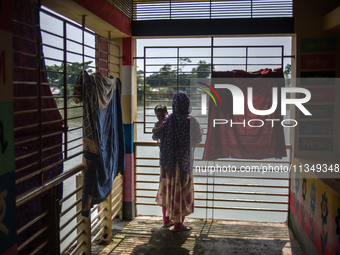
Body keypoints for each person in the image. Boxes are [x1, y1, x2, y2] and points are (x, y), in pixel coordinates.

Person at [156, 92, 203, 231]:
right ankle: (178, 224)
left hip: (167, 163)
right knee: (181, 192)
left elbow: (157, 135)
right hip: (184, 163)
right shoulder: (191, 121)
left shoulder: (167, 119)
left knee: (167, 190)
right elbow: (199, 138)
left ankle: (166, 221)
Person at [152, 104, 168, 178]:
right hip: (163, 150)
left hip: (168, 150)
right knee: (163, 170)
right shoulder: (158, 124)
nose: (160, 118)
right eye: (158, 117)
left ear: (167, 113)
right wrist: (161, 127)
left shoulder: (168, 121)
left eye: (162, 116)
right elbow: (154, 131)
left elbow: (154, 135)